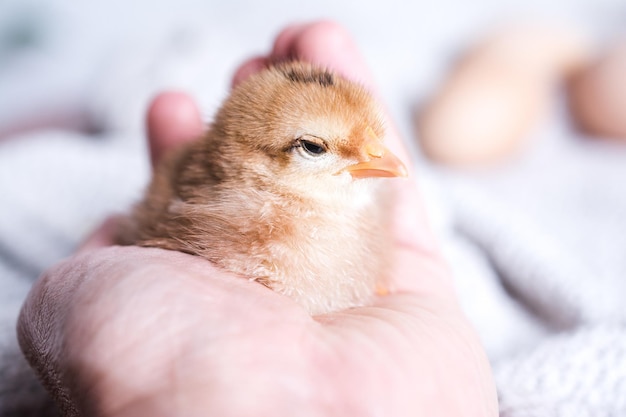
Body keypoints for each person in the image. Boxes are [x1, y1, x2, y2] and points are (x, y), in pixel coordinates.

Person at [17, 21, 498, 416]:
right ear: (256, 161)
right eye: (314, 147)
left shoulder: (370, 204)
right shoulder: (222, 217)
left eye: (374, 136)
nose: (384, 161)